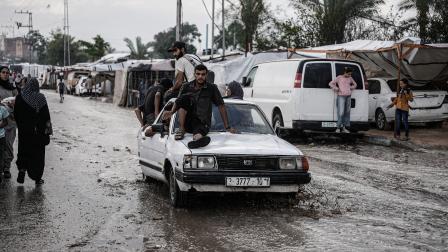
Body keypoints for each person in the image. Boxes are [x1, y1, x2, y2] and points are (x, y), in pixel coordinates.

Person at [163, 64, 235, 149]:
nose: (200, 76)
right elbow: (179, 101)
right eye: (198, 74)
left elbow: (221, 106)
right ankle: (181, 129)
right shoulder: (186, 86)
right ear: (194, 74)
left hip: (202, 122)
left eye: (203, 74)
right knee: (185, 98)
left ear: (206, 75)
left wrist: (227, 127)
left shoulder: (211, 88)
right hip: (187, 122)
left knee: (199, 133)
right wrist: (171, 112)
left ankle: (197, 141)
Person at [15, 78, 52, 185]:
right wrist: (47, 130)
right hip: (38, 133)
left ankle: (22, 171)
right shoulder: (40, 98)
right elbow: (46, 116)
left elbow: (16, 114)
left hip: (24, 131)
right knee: (38, 155)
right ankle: (37, 178)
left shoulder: (19, 97)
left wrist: (21, 126)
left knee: (23, 151)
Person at [0, 66, 17, 180]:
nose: (5, 74)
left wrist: (13, 104)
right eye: (3, 72)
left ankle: (7, 168)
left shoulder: (12, 88)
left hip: (11, 121)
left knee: (9, 146)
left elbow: (19, 101)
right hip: (1, 122)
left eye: (7, 73)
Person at [329, 67, 357, 133]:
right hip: (341, 96)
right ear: (345, 72)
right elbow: (330, 83)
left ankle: (344, 127)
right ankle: (338, 128)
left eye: (350, 74)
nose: (350, 75)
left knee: (347, 112)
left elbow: (355, 84)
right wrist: (336, 88)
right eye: (349, 74)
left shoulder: (350, 78)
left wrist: (350, 88)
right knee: (341, 112)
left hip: (348, 96)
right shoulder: (339, 77)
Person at [0, 102, 9, 183]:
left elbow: (6, 122)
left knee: (1, 155)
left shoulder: (3, 109)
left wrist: (0, 126)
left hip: (1, 137)